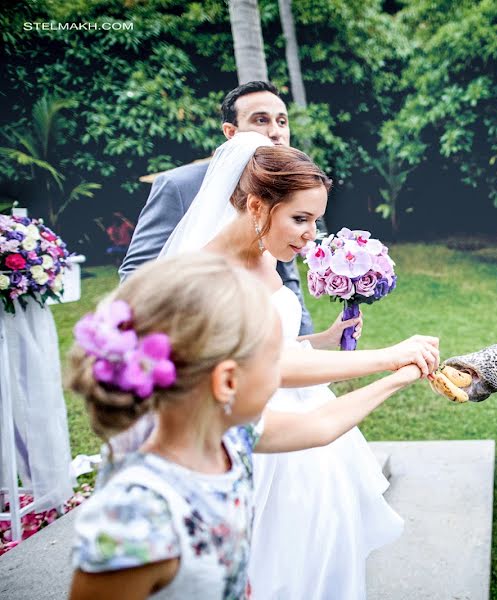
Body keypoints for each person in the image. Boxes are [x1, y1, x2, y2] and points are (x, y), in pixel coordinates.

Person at [156, 130, 434, 598]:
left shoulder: (264, 257)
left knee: (325, 551)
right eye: (301, 218)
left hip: (308, 425)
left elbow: (277, 344)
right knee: (278, 566)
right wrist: (390, 359)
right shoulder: (208, 280)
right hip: (264, 431)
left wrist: (321, 339)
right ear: (257, 206)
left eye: (316, 220)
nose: (310, 236)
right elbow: (270, 366)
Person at [67, 253, 432, 599]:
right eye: (275, 358)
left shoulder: (230, 441)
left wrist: (399, 376)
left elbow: (320, 424)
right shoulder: (132, 519)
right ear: (227, 381)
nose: (287, 370)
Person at [119, 80, 317, 336]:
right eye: (261, 120)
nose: (276, 131)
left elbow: (286, 274)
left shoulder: (284, 190)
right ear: (231, 132)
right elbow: (136, 273)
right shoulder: (178, 185)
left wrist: (303, 337)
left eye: (282, 121)